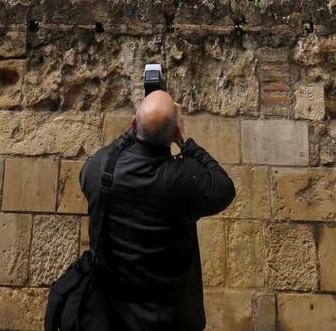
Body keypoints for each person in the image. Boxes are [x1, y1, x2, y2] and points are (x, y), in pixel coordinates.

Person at [78, 90, 235, 330]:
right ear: (174, 133)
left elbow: (91, 169)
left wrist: (136, 128)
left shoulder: (101, 171)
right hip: (171, 320)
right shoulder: (185, 179)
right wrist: (186, 143)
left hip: (112, 317)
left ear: (133, 124)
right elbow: (224, 187)